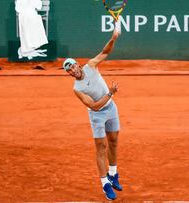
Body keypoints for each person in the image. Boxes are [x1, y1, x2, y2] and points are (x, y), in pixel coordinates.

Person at [62, 28, 122, 200]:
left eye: (72, 66)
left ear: (77, 65)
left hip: (111, 109)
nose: (72, 71)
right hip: (97, 116)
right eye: (69, 71)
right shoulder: (77, 89)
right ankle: (105, 183)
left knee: (114, 141)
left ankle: (113, 174)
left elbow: (105, 52)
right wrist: (110, 93)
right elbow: (94, 106)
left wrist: (113, 38)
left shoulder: (91, 65)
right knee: (101, 148)